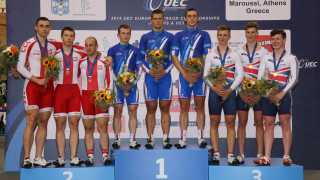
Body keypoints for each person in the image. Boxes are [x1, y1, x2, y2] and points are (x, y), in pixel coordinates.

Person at [17, 17, 60, 168]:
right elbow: (20, 67)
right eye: (41, 26)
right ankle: (27, 157)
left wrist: (101, 55)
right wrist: (37, 80)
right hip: (32, 86)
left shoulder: (54, 45)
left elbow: (72, 47)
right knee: (31, 120)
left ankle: (38, 157)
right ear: (36, 27)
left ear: (50, 28)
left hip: (48, 87)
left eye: (47, 26)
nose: (44, 29)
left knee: (43, 122)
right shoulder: (28, 43)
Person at [255, 29, 298, 166]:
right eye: (273, 39)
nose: (275, 41)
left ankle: (286, 156)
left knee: (285, 124)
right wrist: (267, 93)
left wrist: (282, 93)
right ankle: (267, 157)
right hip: (268, 96)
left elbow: (295, 79)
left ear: (284, 40)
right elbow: (259, 77)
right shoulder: (266, 57)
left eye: (278, 39)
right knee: (268, 125)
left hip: (284, 96)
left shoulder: (291, 58)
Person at [171, 8, 211, 148]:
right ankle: (183, 139)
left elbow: (208, 56)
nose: (192, 18)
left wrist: (199, 72)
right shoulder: (179, 35)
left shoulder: (204, 35)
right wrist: (183, 73)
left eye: (194, 16)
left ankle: (201, 138)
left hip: (200, 77)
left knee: (200, 107)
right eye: (189, 16)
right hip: (184, 77)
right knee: (184, 108)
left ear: (198, 19)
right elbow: (174, 56)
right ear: (185, 19)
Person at [203, 25, 243, 165]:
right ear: (217, 36)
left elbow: (240, 75)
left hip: (229, 92)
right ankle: (216, 154)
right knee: (214, 123)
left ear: (229, 37)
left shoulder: (235, 54)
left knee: (230, 123)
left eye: (225, 35)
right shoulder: (210, 54)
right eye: (220, 35)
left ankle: (231, 155)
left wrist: (230, 90)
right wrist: (214, 88)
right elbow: (205, 76)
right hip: (215, 92)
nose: (222, 37)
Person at [139, 9, 174, 149]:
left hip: (165, 76)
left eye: (160, 18)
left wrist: (165, 70)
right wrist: (149, 70)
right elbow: (141, 58)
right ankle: (150, 139)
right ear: (151, 20)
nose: (158, 21)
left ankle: (166, 138)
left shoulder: (171, 37)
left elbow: (174, 58)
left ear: (164, 20)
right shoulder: (145, 37)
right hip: (150, 77)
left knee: (165, 107)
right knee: (151, 107)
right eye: (155, 18)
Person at [235, 22, 269, 164]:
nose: (250, 35)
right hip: (242, 91)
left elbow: (267, 74)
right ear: (245, 34)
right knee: (242, 123)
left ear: (257, 34)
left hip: (259, 93)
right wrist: (240, 91)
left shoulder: (265, 52)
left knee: (259, 123)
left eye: (253, 32)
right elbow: (236, 73)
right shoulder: (238, 51)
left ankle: (260, 154)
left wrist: (259, 93)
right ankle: (241, 154)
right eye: (248, 32)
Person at [52, 27, 87, 167]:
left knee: (74, 125)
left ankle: (73, 157)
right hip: (59, 91)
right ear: (61, 37)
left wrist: (107, 58)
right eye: (66, 35)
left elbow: (93, 55)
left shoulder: (80, 54)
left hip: (74, 91)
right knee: (59, 126)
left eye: (71, 36)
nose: (69, 38)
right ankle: (61, 157)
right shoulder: (54, 54)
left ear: (74, 38)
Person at [108, 25, 142, 149]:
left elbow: (139, 69)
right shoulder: (112, 50)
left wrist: (132, 83)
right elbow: (110, 69)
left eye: (128, 33)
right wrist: (119, 83)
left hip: (132, 86)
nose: (125, 36)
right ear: (118, 35)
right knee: (117, 111)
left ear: (130, 35)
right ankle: (117, 139)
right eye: (123, 33)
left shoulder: (136, 50)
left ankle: (132, 139)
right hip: (118, 86)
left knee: (132, 111)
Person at [79, 37, 113, 166]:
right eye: (86, 45)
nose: (88, 48)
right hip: (85, 98)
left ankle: (105, 155)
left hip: (101, 97)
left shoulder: (105, 62)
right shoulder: (81, 62)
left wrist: (107, 97)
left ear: (96, 46)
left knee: (103, 128)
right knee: (88, 129)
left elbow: (110, 81)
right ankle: (90, 156)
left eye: (91, 45)